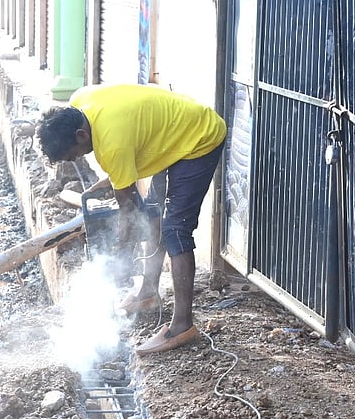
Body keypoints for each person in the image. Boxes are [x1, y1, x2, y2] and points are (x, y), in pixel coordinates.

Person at [36, 84, 227, 355]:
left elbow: (129, 214)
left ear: (81, 134)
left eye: (76, 154)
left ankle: (182, 326)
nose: (79, 158)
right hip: (171, 133)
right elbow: (129, 179)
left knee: (175, 229)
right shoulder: (80, 102)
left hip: (199, 137)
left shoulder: (111, 144)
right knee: (154, 211)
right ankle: (148, 292)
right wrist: (115, 179)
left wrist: (120, 257)